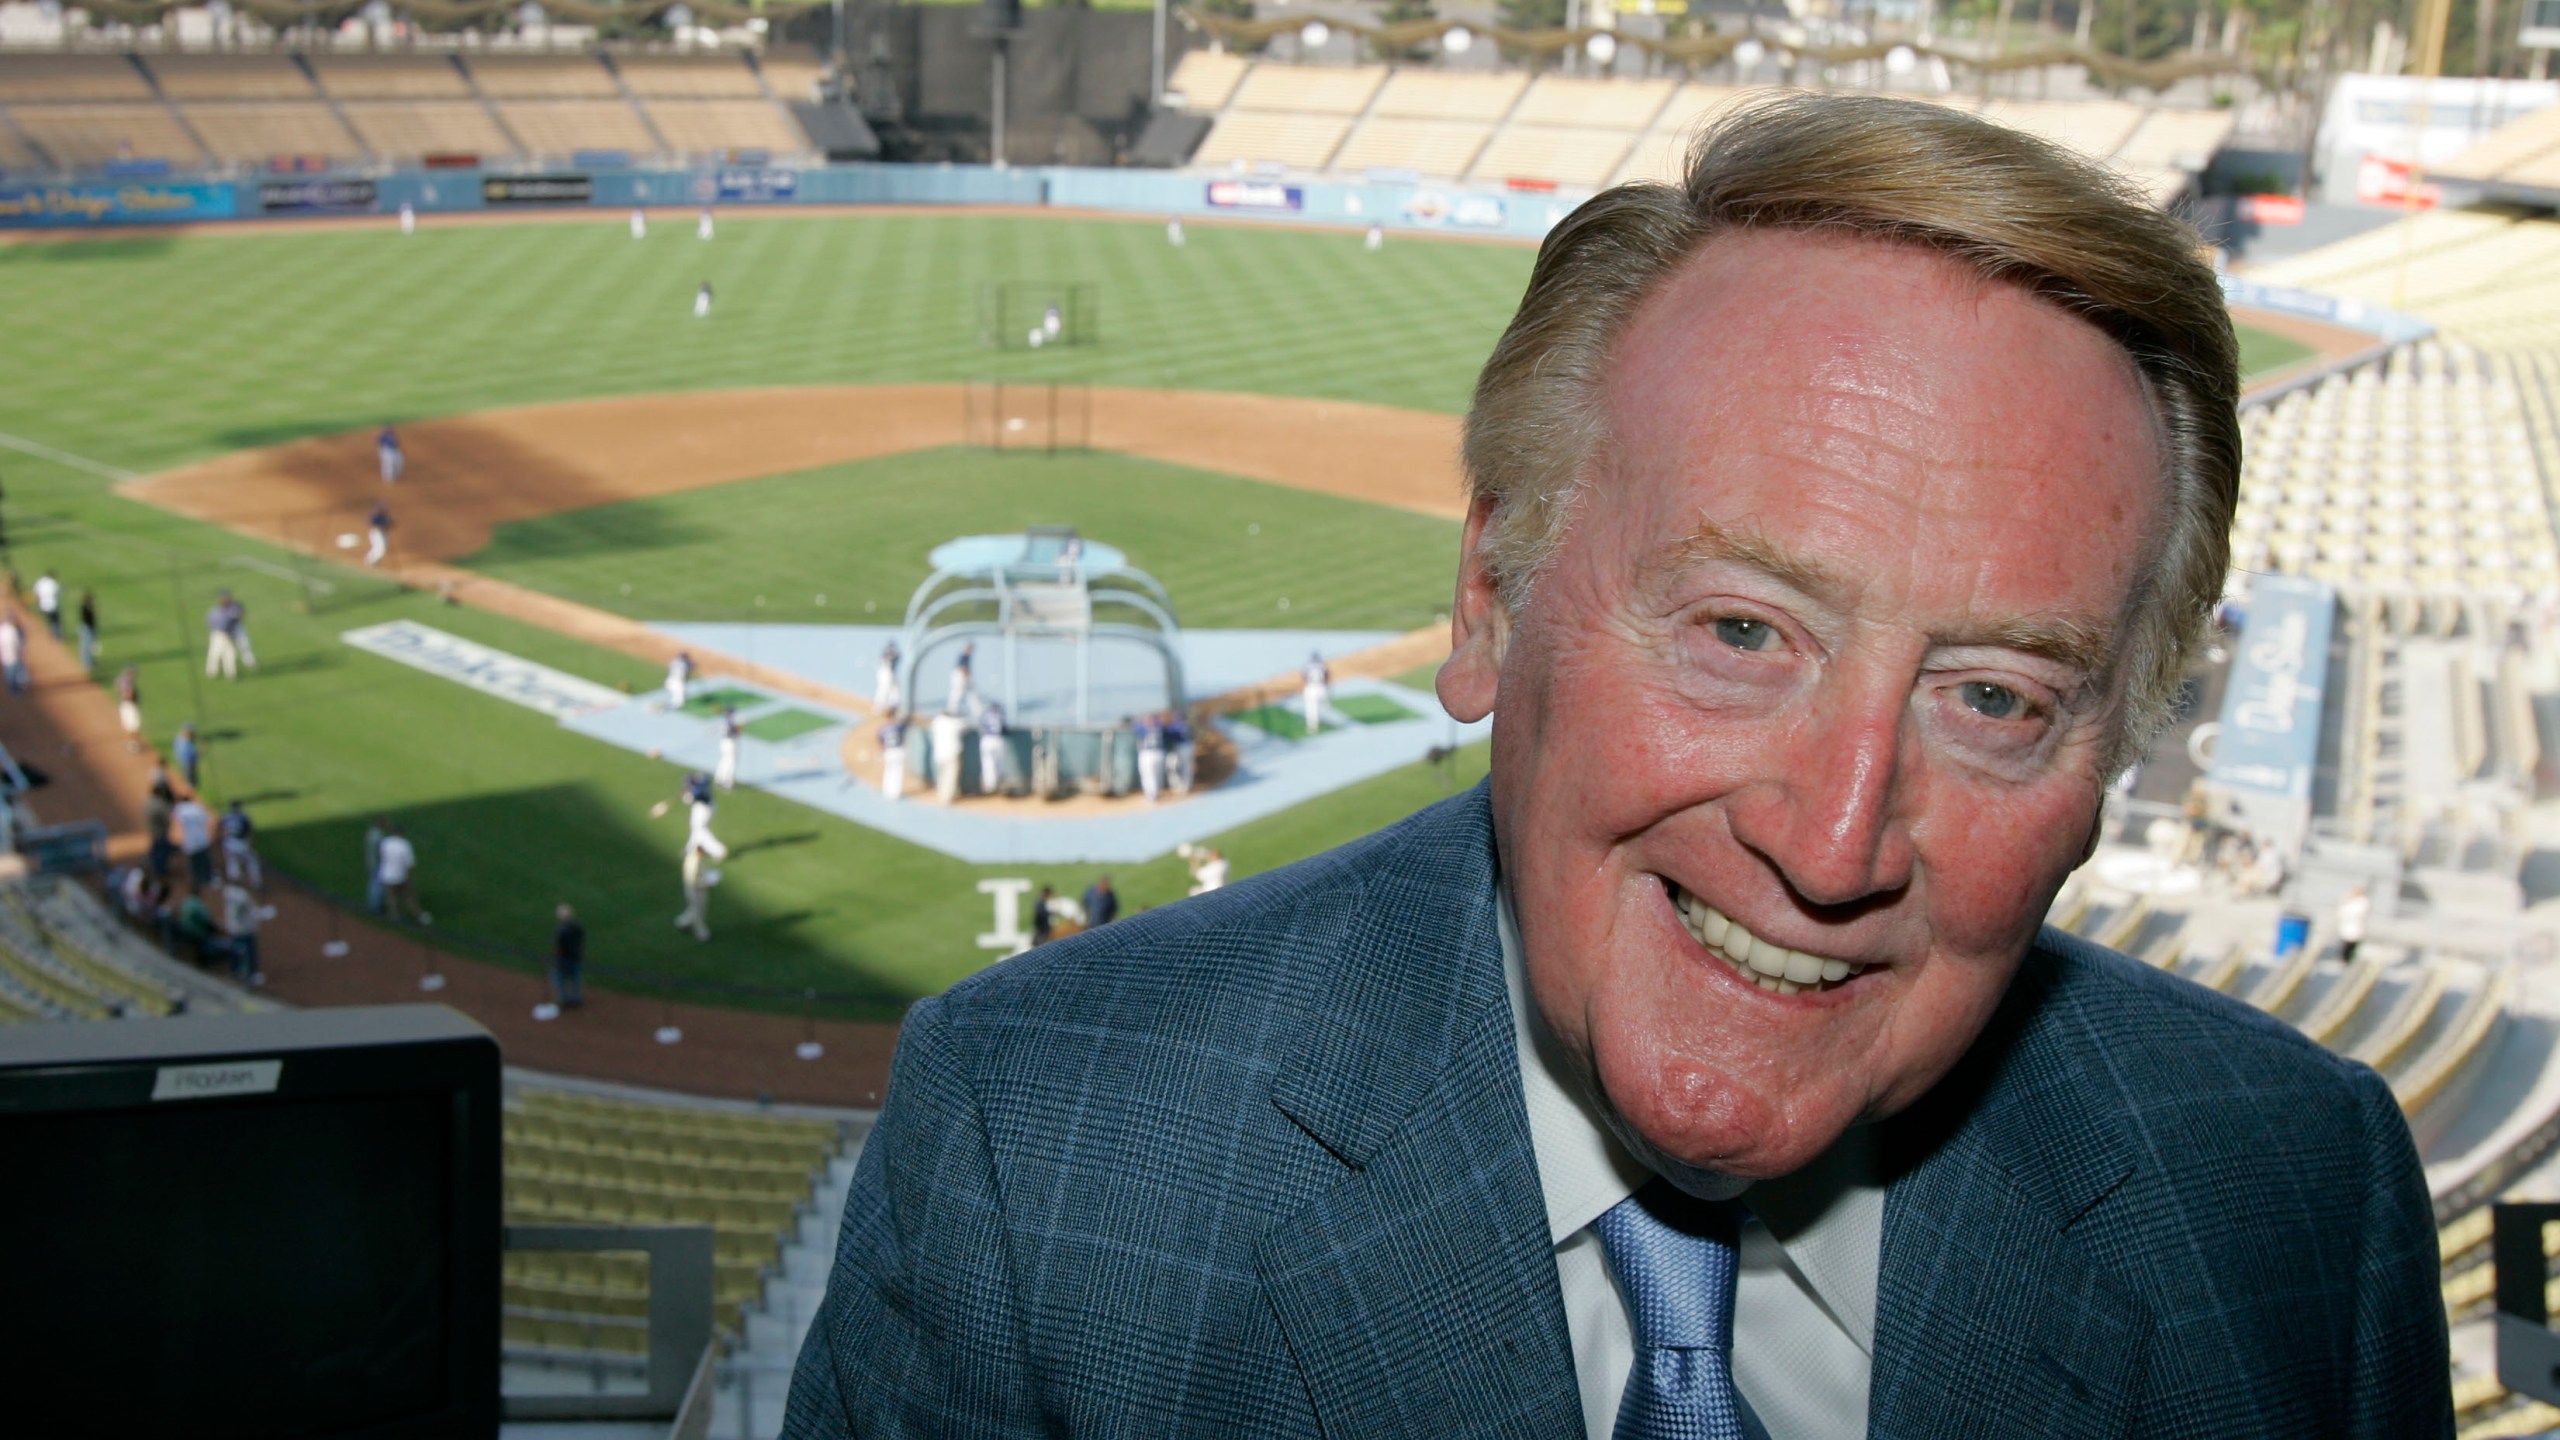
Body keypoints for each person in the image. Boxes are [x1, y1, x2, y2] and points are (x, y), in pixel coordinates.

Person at [783, 96, 2447, 1439]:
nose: (1836, 833)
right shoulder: (1047, 1161)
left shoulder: (2294, 1198)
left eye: (1996, 697)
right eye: (1741, 633)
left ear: (2107, 769)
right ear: (1494, 599)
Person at [676, 836, 719, 941]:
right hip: (694, 890)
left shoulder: (698, 858)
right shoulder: (693, 862)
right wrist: (707, 883)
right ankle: (702, 934)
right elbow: (692, 881)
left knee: (697, 908)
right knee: (698, 910)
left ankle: (682, 922)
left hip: (699, 888)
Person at [376, 822, 419, 924]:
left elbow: (381, 857)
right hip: (400, 875)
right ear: (401, 833)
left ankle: (395, 916)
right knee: (409, 896)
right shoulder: (404, 844)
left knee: (391, 897)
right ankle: (416, 915)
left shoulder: (385, 842)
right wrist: (409, 877)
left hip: (386, 875)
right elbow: (409, 864)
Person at [221, 878, 261, 987]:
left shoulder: (228, 892)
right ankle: (252, 974)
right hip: (244, 929)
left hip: (233, 928)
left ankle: (234, 973)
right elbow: (251, 910)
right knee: (250, 951)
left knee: (235, 950)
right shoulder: (243, 896)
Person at [173, 791, 214, 893]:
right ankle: (208, 880)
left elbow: (175, 823)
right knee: (204, 861)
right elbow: (209, 820)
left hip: (190, 841)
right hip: (202, 839)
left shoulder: (180, 809)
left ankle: (197, 882)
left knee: (193, 863)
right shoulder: (198, 807)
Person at [929, 708, 968, 806]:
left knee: (942, 775)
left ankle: (941, 794)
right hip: (952, 753)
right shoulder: (954, 723)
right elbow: (966, 725)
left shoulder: (937, 722)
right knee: (950, 776)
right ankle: (946, 799)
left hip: (939, 753)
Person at [220, 799, 261, 890]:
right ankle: (256, 884)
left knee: (232, 862)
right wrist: (250, 844)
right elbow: (249, 833)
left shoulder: (225, 816)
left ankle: (234, 884)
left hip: (229, 843)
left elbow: (222, 831)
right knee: (252, 862)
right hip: (241, 843)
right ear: (239, 807)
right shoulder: (244, 817)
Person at [204, 591, 244, 680]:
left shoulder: (214, 611)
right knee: (228, 654)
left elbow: (209, 621)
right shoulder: (229, 613)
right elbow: (237, 620)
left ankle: (212, 672)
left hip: (216, 634)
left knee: (215, 654)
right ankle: (230, 674)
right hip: (225, 635)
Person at [552, 902, 585, 1009]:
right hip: (576, 957)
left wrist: (558, 960)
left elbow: (559, 947)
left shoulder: (560, 930)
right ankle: (577, 998)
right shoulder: (578, 926)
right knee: (575, 977)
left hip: (564, 959)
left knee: (558, 977)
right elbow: (581, 939)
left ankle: (564, 999)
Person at [144, 775, 175, 882]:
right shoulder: (159, 804)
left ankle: (155, 867)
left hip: (153, 830)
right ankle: (159, 871)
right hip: (160, 831)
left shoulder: (148, 801)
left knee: (157, 848)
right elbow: (168, 816)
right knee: (162, 851)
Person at [977, 700, 1007, 797]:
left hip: (987, 740)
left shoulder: (985, 715)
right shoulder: (1000, 715)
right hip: (998, 740)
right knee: (999, 763)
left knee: (988, 763)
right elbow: (1004, 729)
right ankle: (998, 783)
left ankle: (990, 785)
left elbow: (981, 727)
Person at [878, 711, 909, 801]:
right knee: (898, 773)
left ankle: (886, 791)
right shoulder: (899, 727)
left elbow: (880, 741)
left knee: (888, 771)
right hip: (898, 751)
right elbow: (906, 725)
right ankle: (895, 794)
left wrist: (881, 751)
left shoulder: (883, 729)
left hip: (888, 752)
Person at [1135, 711, 1165, 804]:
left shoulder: (1143, 728)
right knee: (1157, 775)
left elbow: (1136, 728)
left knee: (1148, 775)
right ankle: (1155, 793)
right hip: (1159, 752)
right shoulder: (1159, 727)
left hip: (1147, 753)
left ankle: (1152, 795)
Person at [2338, 882, 2373, 963]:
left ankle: (2348, 961)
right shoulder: (2350, 899)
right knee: (2346, 945)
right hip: (2348, 927)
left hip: (2356, 927)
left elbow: (2361, 913)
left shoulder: (2363, 902)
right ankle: (2344, 960)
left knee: (2352, 946)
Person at [1300, 650, 1330, 736]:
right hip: (1321, 687)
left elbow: (1304, 677)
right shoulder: (1323, 666)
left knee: (1311, 707)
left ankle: (1312, 726)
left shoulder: (1307, 666)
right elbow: (1327, 676)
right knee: (1324, 705)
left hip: (1311, 687)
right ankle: (1323, 721)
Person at [363, 814, 389, 913]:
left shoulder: (371, 833)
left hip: (371, 862)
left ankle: (375, 905)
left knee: (373, 884)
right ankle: (376, 907)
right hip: (377, 864)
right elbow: (379, 852)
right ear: (380, 823)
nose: (387, 824)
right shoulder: (379, 836)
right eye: (385, 822)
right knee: (377, 885)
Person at [114, 664, 142, 751]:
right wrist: (133, 698)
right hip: (129, 706)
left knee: (128, 726)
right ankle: (133, 744)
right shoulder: (128, 681)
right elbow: (128, 694)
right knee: (135, 726)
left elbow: (118, 687)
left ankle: (130, 743)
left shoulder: (121, 679)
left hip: (123, 705)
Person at [714, 704, 742, 792]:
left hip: (723, 742)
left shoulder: (724, 719)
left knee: (724, 759)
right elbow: (736, 732)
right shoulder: (731, 720)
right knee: (732, 762)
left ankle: (719, 777)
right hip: (731, 742)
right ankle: (727, 782)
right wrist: (740, 726)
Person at [947, 643, 975, 716]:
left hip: (960, 675)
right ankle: (953, 710)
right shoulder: (965, 656)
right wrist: (965, 678)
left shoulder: (966, 656)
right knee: (958, 692)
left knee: (964, 693)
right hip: (960, 676)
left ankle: (954, 710)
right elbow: (963, 668)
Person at [0, 610, 24, 696]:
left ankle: (12, 687)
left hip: (5, 652)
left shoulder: (2, 629)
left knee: (9, 670)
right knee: (12, 671)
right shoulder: (12, 630)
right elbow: (17, 642)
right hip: (12, 652)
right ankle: (14, 688)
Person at [873, 642, 901, 714]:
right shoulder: (886, 655)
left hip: (891, 673)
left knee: (895, 689)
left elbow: (897, 658)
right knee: (884, 690)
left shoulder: (895, 655)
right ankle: (878, 708)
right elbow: (886, 661)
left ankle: (894, 707)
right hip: (885, 673)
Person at [32, 569, 59, 639]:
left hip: (42, 606)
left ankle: (46, 633)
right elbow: (56, 594)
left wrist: (38, 602)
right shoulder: (54, 583)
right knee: (55, 621)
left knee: (45, 620)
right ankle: (55, 635)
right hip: (52, 606)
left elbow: (36, 594)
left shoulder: (41, 581)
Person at [171, 722, 199, 791]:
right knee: (191, 784)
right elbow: (192, 755)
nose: (194, 734)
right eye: (192, 732)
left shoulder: (178, 739)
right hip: (188, 765)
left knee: (187, 780)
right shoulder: (186, 743)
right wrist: (201, 751)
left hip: (182, 763)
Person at [76, 588, 98, 673]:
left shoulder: (89, 606)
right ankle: (86, 664)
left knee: (90, 646)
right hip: (86, 628)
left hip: (89, 628)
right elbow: (88, 618)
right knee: (86, 647)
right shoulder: (85, 607)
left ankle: (90, 662)